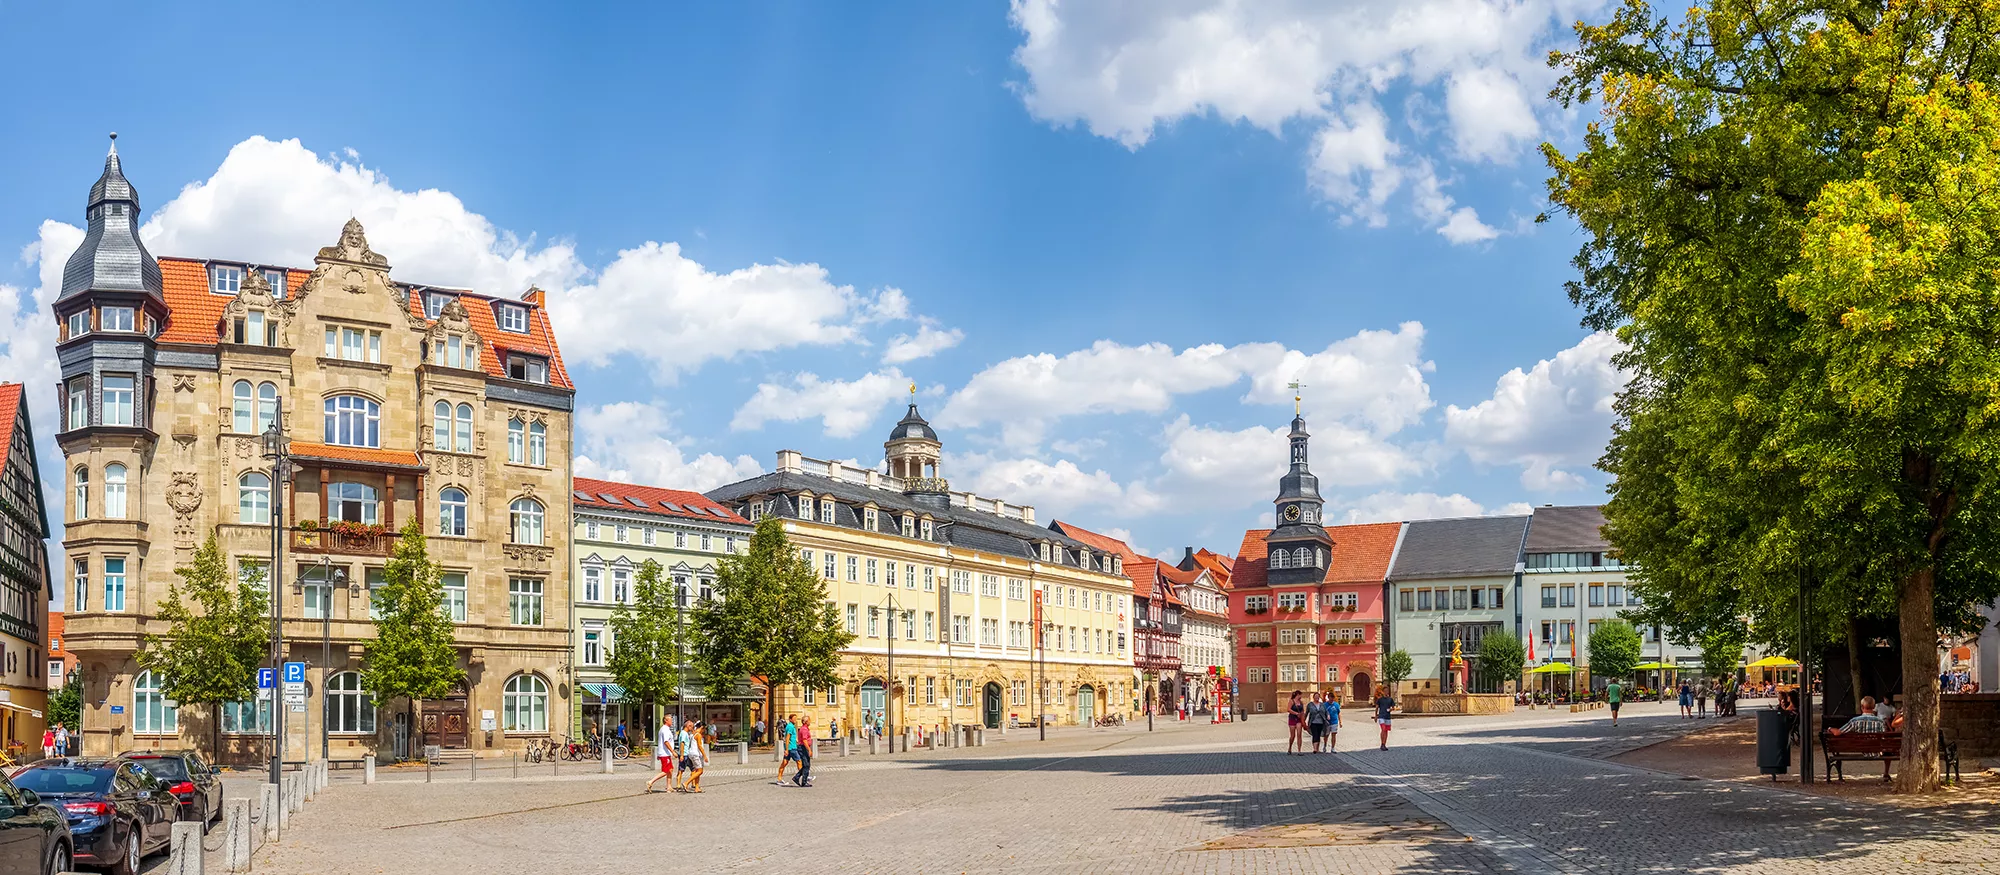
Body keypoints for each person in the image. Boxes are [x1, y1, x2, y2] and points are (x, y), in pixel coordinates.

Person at [646, 716, 678, 793]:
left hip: (665, 753)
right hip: (665, 753)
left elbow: (661, 741)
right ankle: (650, 782)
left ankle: (669, 786)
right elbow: (666, 742)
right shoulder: (664, 730)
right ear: (666, 720)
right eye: (671, 720)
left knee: (670, 769)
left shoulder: (665, 729)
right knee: (666, 770)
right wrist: (673, 751)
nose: (672, 722)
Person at [680, 720, 706, 792]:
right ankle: (686, 783)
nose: (704, 731)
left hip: (691, 753)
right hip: (695, 754)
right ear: (702, 727)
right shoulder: (698, 735)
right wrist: (705, 755)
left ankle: (697, 787)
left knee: (697, 770)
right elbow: (700, 746)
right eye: (704, 729)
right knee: (700, 771)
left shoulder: (692, 734)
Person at [792, 717, 815, 787]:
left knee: (806, 765)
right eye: (809, 720)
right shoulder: (804, 729)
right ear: (805, 722)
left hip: (803, 747)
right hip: (803, 748)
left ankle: (797, 778)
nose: (810, 722)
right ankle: (803, 781)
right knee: (806, 765)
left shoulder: (804, 729)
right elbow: (804, 741)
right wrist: (809, 749)